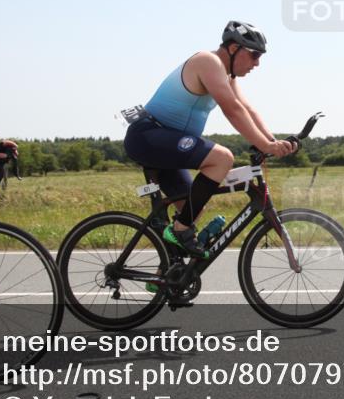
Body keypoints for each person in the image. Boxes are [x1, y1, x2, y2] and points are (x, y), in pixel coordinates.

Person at [124, 21, 295, 258]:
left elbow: (247, 109)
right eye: (254, 55)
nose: (257, 63)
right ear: (234, 48)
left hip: (166, 142)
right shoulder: (208, 62)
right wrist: (266, 145)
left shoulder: (227, 75)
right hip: (148, 135)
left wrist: (274, 142)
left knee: (192, 208)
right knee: (222, 159)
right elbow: (232, 109)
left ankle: (168, 271)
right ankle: (181, 231)